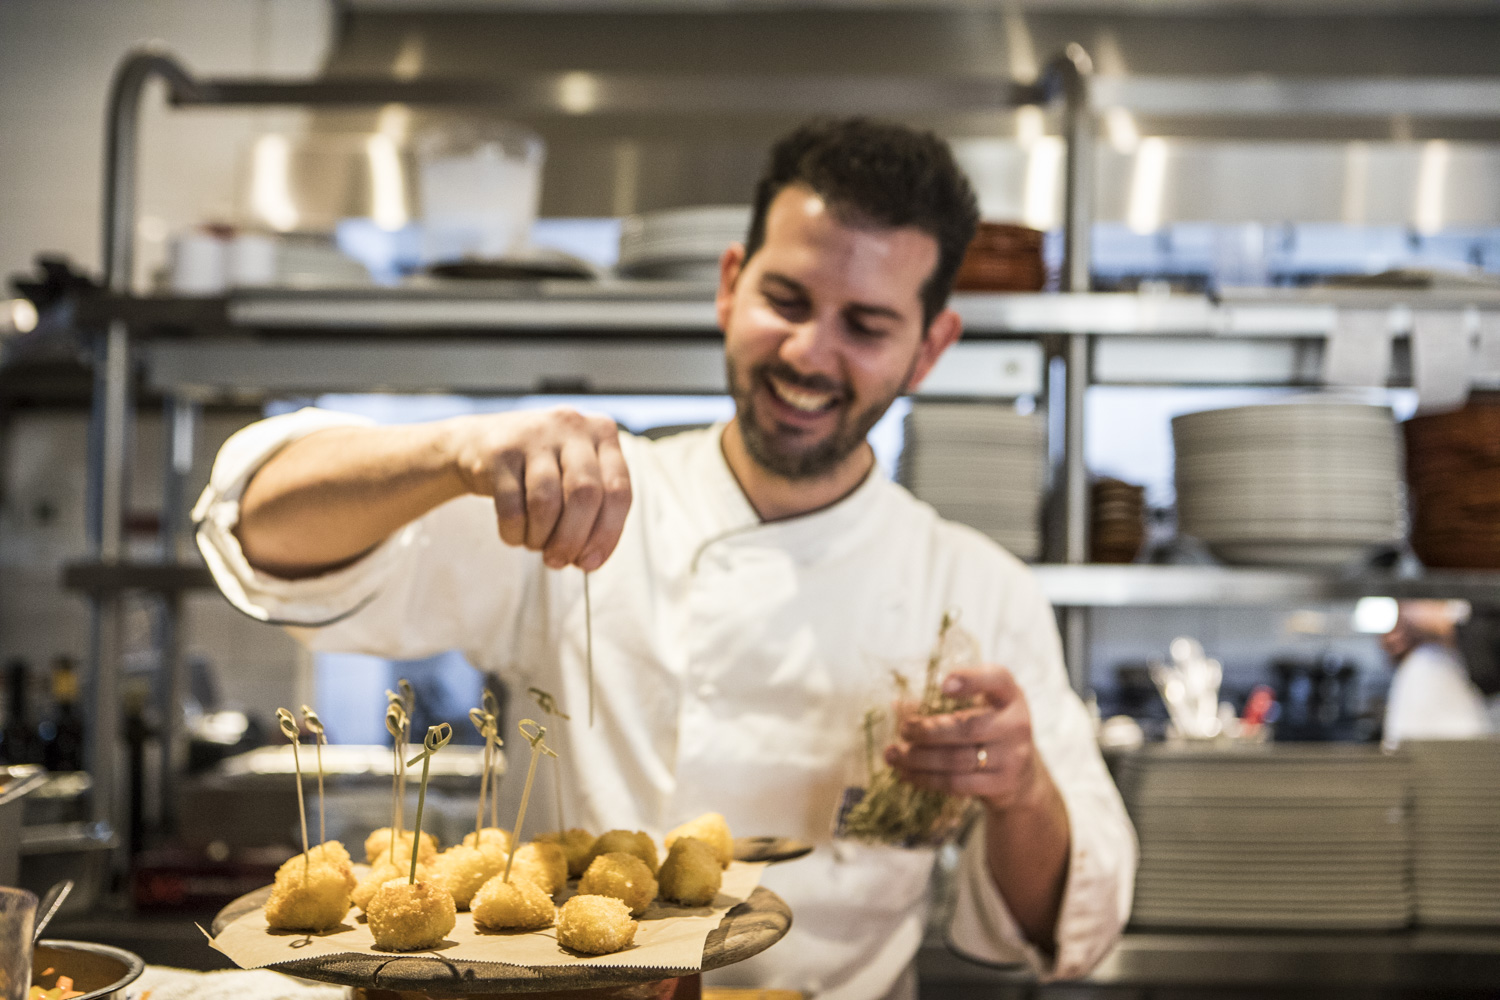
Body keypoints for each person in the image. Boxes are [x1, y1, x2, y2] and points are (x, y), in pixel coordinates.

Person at [194, 118, 1135, 997]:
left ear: (929, 349)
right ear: (729, 285)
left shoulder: (974, 588)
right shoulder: (583, 502)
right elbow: (261, 531)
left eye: (866, 325)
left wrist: (1019, 791)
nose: (810, 352)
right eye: (785, 300)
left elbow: (1065, 924)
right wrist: (452, 451)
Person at [1380, 600, 1495, 748]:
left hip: (1458, 683)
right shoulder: (1418, 662)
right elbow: (1392, 646)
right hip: (1424, 680)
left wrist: (1441, 623)